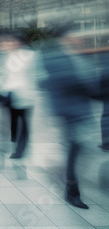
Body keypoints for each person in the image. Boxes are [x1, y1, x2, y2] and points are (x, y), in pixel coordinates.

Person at [41, 30, 97, 209]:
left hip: (82, 110)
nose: (80, 38)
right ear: (65, 38)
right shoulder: (55, 57)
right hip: (69, 112)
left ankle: (70, 184)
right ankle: (71, 190)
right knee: (75, 149)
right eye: (76, 35)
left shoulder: (80, 56)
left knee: (80, 150)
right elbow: (61, 83)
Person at [0, 32, 37, 159]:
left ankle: (20, 149)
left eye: (12, 42)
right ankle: (15, 145)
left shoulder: (31, 55)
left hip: (25, 94)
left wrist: (31, 90)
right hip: (9, 94)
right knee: (13, 121)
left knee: (24, 122)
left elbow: (35, 75)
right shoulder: (2, 56)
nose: (9, 44)